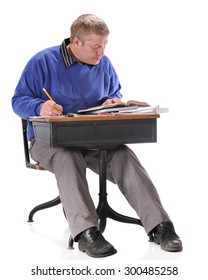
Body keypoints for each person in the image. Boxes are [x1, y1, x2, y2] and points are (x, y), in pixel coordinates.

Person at [12, 14, 182, 258]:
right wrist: (39, 107)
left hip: (93, 135)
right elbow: (18, 100)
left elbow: (114, 91)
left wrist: (113, 102)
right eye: (96, 46)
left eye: (104, 45)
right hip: (49, 140)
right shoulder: (42, 62)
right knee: (67, 158)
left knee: (124, 155)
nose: (101, 52)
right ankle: (86, 232)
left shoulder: (105, 63)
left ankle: (160, 226)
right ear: (76, 42)